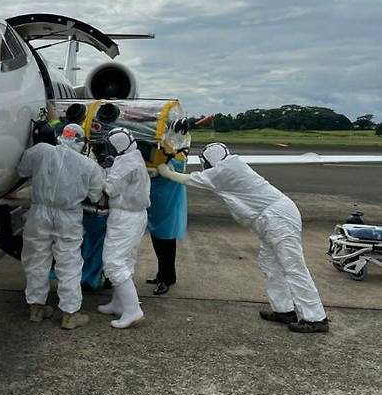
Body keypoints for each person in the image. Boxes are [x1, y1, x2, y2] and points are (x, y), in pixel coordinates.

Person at [156, 142, 329, 333]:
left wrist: (163, 169)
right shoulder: (231, 165)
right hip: (270, 219)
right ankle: (284, 310)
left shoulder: (224, 172)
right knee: (270, 265)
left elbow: (188, 179)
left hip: (277, 218)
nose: (205, 166)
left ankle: (315, 318)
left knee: (293, 267)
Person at [18, 122, 104, 330]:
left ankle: (36, 309)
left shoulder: (40, 151)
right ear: (82, 142)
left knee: (36, 259)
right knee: (69, 263)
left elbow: (22, 171)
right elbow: (96, 195)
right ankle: (69, 313)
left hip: (39, 212)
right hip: (68, 216)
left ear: (60, 136)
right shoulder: (89, 166)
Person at [98, 127, 150, 329]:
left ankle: (132, 310)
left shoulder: (125, 163)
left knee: (113, 262)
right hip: (135, 215)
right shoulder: (134, 156)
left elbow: (110, 189)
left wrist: (103, 171)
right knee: (126, 260)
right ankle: (118, 303)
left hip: (125, 216)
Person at [146, 150, 188, 295]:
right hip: (158, 203)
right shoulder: (159, 155)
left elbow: (177, 169)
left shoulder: (177, 158)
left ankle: (166, 278)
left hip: (169, 205)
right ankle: (163, 275)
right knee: (158, 241)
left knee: (166, 243)